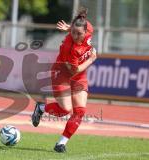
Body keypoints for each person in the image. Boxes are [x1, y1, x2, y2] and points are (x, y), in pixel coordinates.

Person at [31, 7, 97, 153]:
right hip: (62, 74)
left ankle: (61, 143)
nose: (74, 36)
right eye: (72, 32)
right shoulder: (69, 48)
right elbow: (76, 69)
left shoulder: (88, 28)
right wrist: (92, 59)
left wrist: (69, 28)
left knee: (80, 111)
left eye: (78, 33)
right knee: (65, 110)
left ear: (86, 31)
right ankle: (41, 108)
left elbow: (79, 72)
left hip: (79, 77)